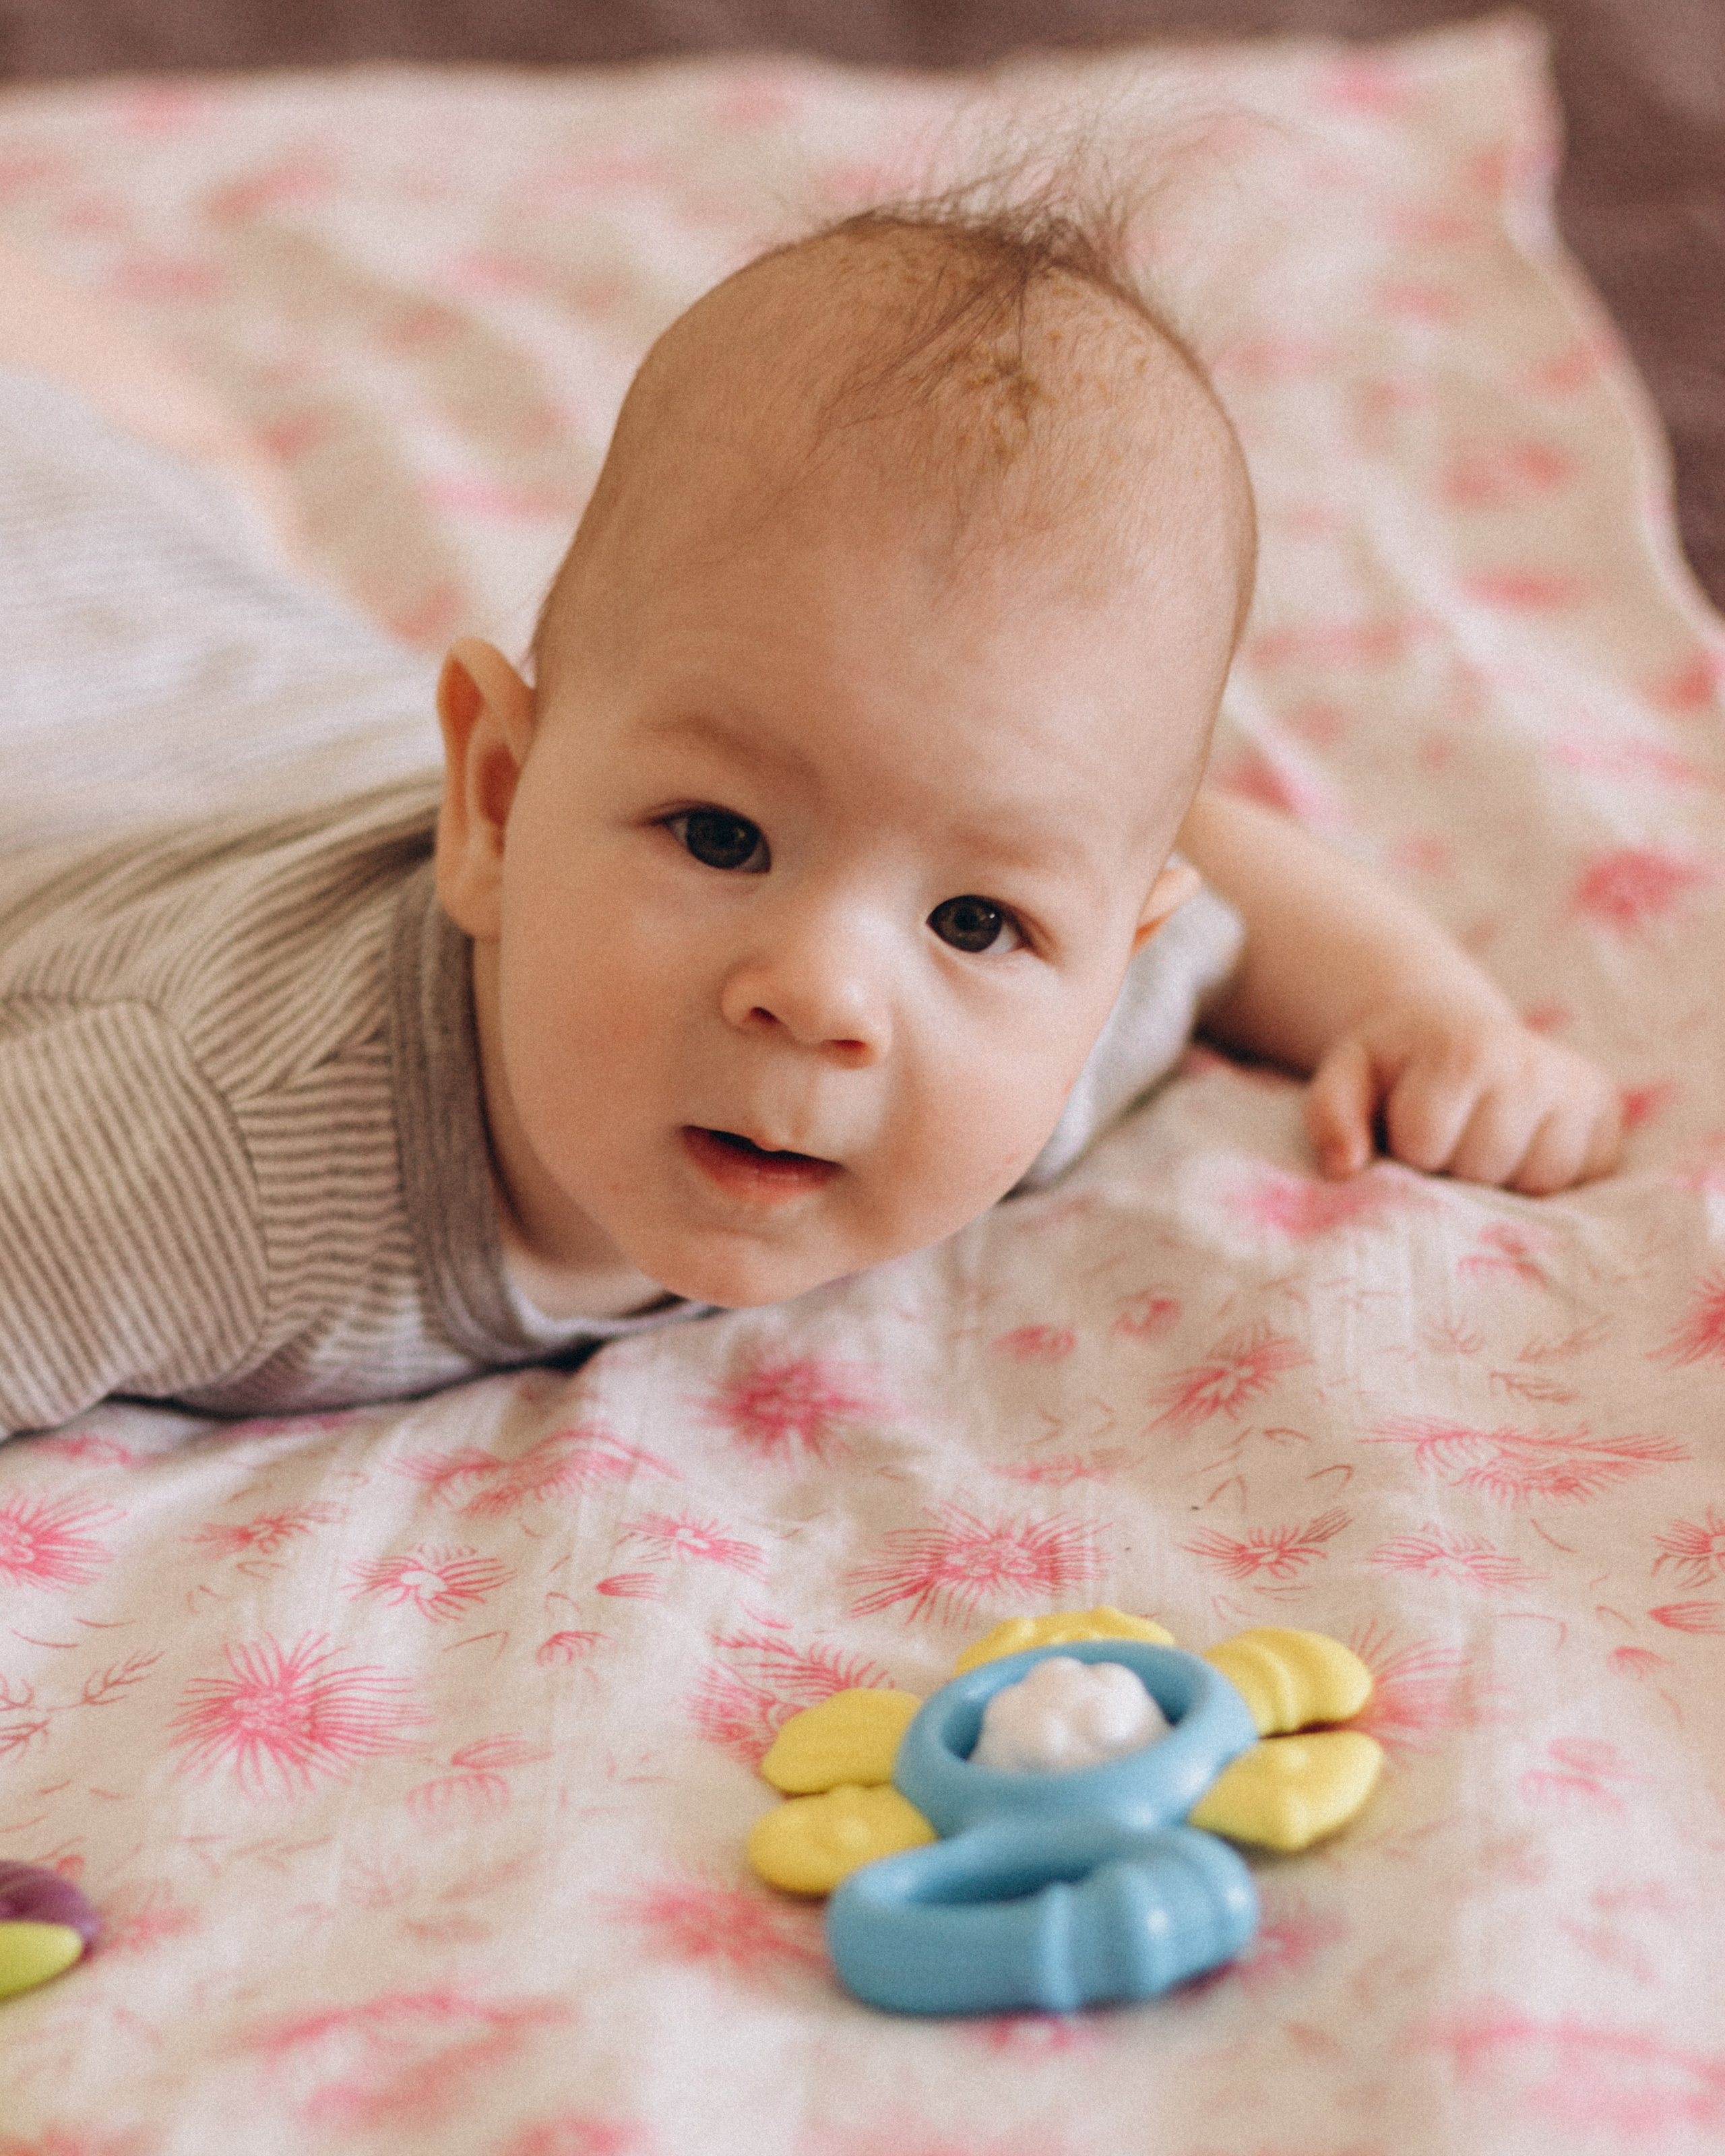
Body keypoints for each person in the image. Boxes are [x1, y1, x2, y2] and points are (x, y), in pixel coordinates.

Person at [0, 194, 1621, 1438]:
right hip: (65, 672)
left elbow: (1203, 872)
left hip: (235, 670)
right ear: (496, 801)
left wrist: (1425, 1015)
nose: (827, 996)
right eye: (718, 836)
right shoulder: (191, 1153)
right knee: (135, 463)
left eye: (972, 919)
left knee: (205, 487)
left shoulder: (1034, 1030)